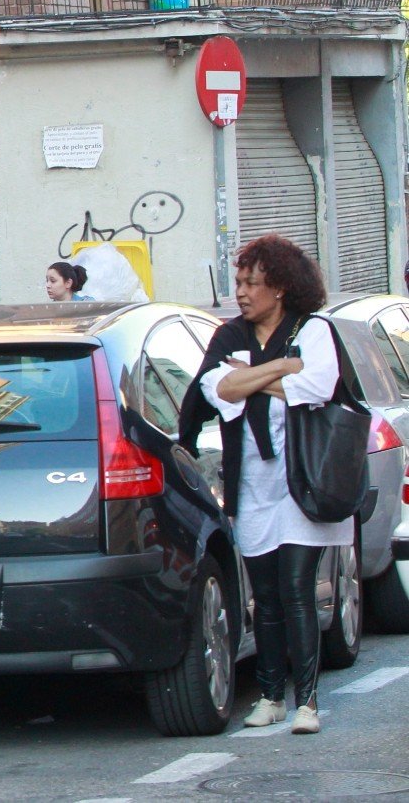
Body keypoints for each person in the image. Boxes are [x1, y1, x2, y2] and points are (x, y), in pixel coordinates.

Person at [183, 234, 344, 735]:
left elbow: (319, 385)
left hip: (303, 483)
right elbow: (220, 389)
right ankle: (271, 695)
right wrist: (281, 368)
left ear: (280, 288)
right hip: (251, 482)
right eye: (238, 282)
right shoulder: (229, 337)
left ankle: (308, 703)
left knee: (297, 589)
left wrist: (254, 375)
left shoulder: (313, 329)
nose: (242, 293)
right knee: (266, 596)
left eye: (252, 283)